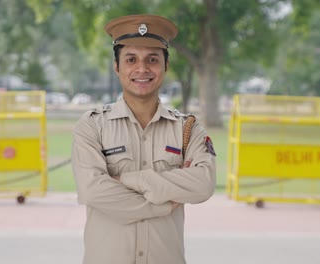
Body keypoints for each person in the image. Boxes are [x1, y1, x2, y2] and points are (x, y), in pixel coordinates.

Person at [72, 14, 216, 264]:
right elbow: (93, 191)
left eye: (152, 59)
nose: (142, 69)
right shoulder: (92, 126)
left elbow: (203, 184)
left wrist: (128, 180)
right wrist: (163, 203)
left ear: (165, 66)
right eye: (131, 59)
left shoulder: (187, 129)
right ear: (116, 67)